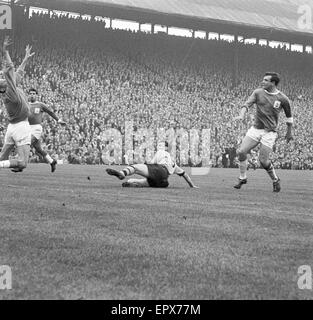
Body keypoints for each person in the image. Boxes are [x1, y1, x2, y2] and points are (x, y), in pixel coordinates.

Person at [233, 72, 294, 192]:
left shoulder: (282, 98)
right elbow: (246, 105)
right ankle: (242, 177)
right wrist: (241, 115)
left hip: (270, 132)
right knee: (241, 151)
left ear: (273, 83)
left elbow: (289, 117)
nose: (263, 82)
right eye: (263, 80)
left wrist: (289, 132)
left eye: (266, 80)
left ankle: (275, 180)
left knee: (263, 161)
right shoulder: (258, 92)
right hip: (256, 129)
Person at [14, 88, 66, 172]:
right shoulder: (25, 104)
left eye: (34, 93)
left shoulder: (40, 105)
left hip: (36, 128)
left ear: (37, 95)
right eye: (30, 93)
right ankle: (52, 162)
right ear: (28, 95)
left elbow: (50, 112)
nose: (32, 95)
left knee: (26, 143)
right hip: (27, 127)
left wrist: (59, 120)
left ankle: (21, 166)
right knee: (39, 149)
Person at [0, 36, 32, 171]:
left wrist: (26, 58)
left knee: (3, 159)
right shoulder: (10, 92)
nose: (2, 77)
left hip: (12, 127)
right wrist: (5, 51)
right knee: (23, 163)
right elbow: (11, 67)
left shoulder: (11, 86)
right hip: (20, 126)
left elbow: (19, 72)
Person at [106, 142, 198, 188]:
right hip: (163, 181)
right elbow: (185, 175)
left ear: (165, 147)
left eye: (161, 145)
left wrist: (145, 162)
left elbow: (152, 163)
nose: (159, 146)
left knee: (135, 167)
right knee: (137, 181)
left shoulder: (161, 151)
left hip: (158, 170)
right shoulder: (174, 163)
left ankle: (122, 174)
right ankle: (133, 184)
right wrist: (192, 186)